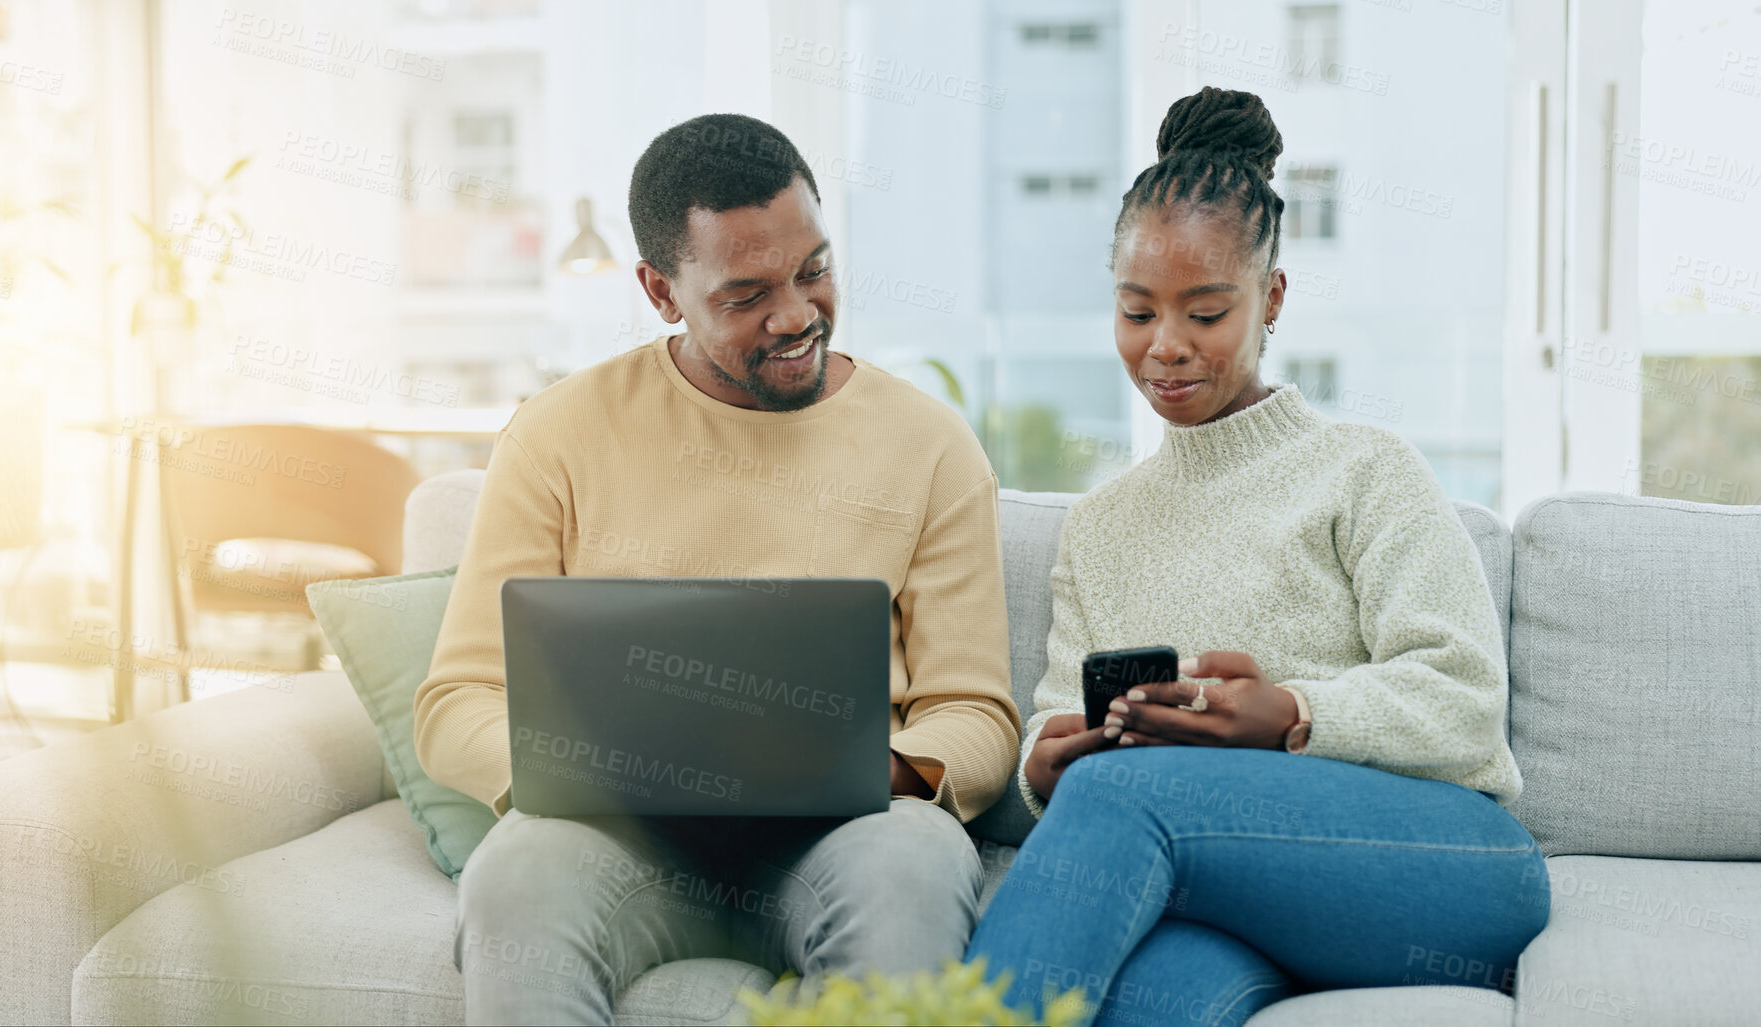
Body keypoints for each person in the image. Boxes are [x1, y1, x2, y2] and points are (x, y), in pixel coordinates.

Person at [414, 112, 1021, 1025]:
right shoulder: (557, 435)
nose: (795, 314)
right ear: (661, 291)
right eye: (746, 295)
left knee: (914, 861)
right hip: (617, 845)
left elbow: (975, 712)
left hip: (848, 841)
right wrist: (583, 770)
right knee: (517, 872)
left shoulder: (928, 445)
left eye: (812, 270)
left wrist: (875, 770)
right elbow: (456, 697)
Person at [964, 87, 1549, 1027]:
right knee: (1146, 1001)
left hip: (1445, 870)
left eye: (1204, 313)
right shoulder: (1103, 523)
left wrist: (1286, 713)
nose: (1166, 348)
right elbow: (1050, 718)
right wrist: (1048, 762)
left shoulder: (1365, 469)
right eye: (1136, 312)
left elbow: (1465, 703)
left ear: (1270, 299)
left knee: (1122, 798)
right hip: (1228, 886)